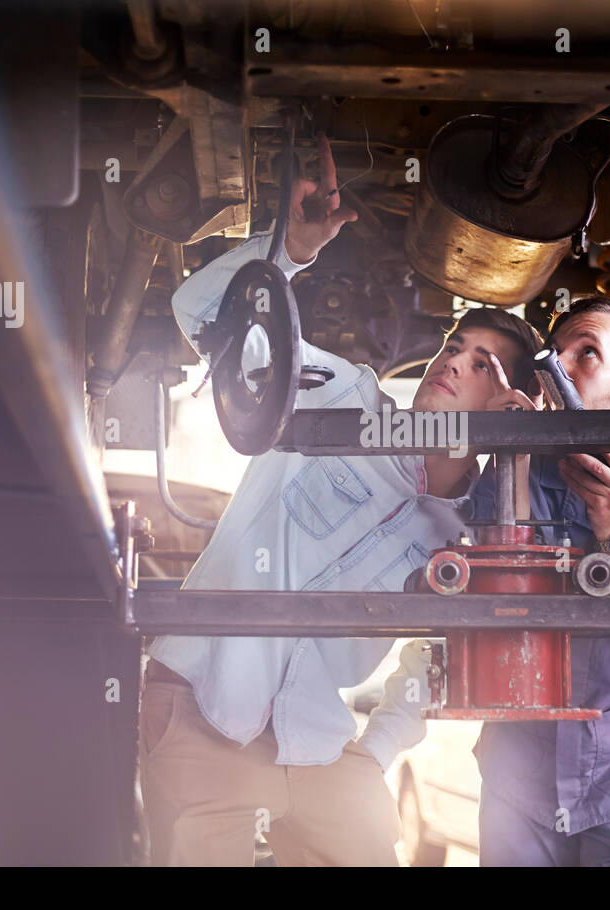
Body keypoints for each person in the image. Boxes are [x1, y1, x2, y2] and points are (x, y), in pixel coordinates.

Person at [138, 134, 543, 866]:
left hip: (321, 747)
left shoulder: (476, 526)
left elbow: (446, 649)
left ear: (507, 400)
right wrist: (286, 252)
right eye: (454, 346)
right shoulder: (341, 395)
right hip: (203, 714)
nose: (453, 361)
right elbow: (199, 310)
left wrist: (377, 748)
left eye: (481, 364)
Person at [364, 294, 610, 866]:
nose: (559, 367)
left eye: (586, 353)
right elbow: (481, 595)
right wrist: (506, 451)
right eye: (555, 354)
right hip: (520, 776)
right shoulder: (522, 466)